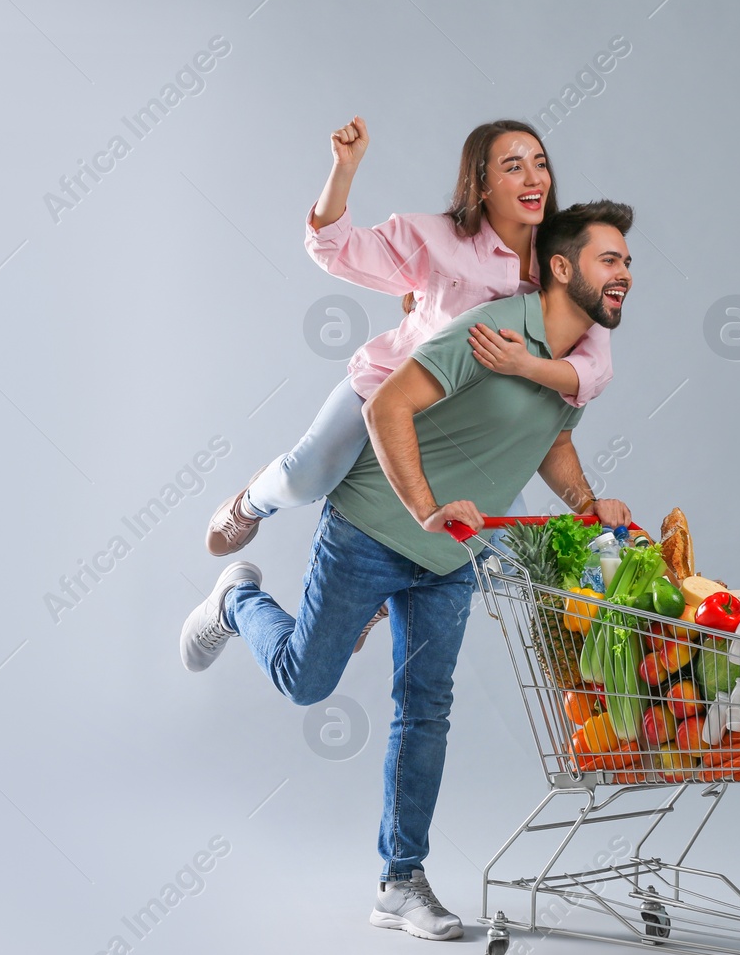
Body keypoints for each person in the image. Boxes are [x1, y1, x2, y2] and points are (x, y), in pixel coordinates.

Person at [180, 200, 637, 941]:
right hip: (371, 529)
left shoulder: (577, 363)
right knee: (307, 682)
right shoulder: (490, 332)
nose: (624, 275)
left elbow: (551, 439)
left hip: (453, 557)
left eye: (626, 263)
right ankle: (237, 600)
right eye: (610, 260)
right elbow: (385, 407)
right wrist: (425, 506)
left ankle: (400, 882)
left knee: (425, 709)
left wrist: (588, 500)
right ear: (562, 267)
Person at [206, 116, 615, 651]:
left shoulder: (560, 259)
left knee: (504, 538)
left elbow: (594, 364)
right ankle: (250, 502)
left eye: (540, 164)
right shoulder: (438, 238)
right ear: (483, 183)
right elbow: (336, 248)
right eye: (513, 167)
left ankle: (380, 594)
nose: (534, 178)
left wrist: (529, 368)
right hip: (391, 391)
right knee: (309, 475)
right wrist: (344, 170)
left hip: (473, 430)